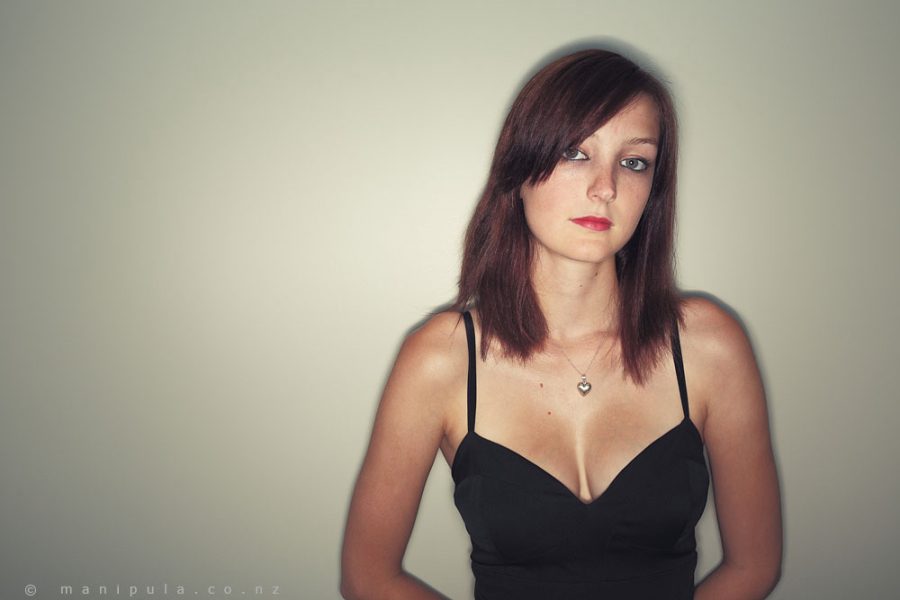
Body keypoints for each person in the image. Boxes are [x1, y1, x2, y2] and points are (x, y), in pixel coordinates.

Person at [340, 48, 782, 599]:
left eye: (634, 162)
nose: (606, 187)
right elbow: (368, 578)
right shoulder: (443, 358)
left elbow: (754, 566)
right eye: (576, 153)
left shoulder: (708, 345)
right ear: (520, 169)